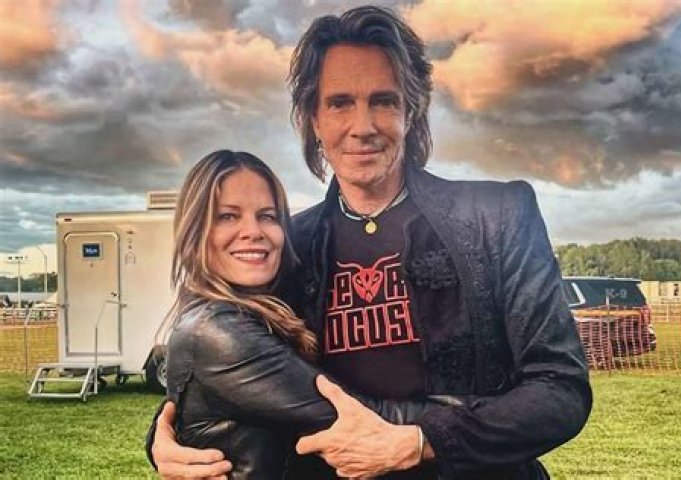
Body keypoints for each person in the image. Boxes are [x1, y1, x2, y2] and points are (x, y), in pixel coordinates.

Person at [149, 6, 592, 479]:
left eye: (383, 101)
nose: (363, 126)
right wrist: (163, 439)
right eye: (340, 103)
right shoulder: (286, 245)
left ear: (410, 111)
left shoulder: (497, 217)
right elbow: (235, 364)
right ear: (313, 119)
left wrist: (421, 441)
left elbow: (559, 389)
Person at [160, 149, 475, 479]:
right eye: (227, 216)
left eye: (267, 216)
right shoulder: (219, 333)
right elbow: (356, 416)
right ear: (194, 230)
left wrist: (162, 433)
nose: (253, 231)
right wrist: (487, 421)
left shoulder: (254, 311)